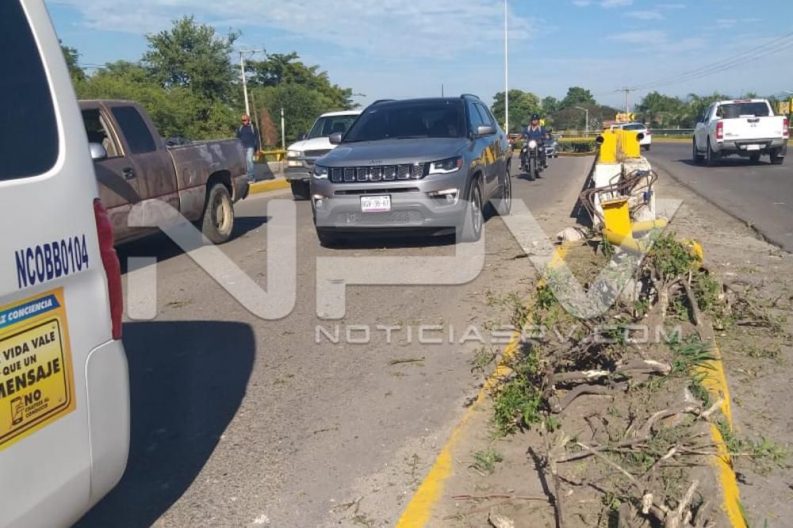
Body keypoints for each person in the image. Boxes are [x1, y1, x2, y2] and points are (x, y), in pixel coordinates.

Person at [236, 114, 259, 181]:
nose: (244, 121)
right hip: (242, 148)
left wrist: (258, 149)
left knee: (249, 161)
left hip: (250, 146)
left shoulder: (253, 128)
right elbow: (237, 139)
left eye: (245, 120)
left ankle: (251, 177)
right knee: (245, 163)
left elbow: (257, 139)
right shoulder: (240, 128)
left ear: (248, 120)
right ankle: (247, 176)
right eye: (242, 120)